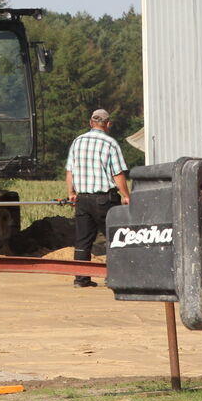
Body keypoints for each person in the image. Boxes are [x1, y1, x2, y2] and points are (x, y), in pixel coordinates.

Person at [65, 108, 129, 288]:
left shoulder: (77, 142)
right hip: (104, 200)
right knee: (114, 237)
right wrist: (126, 195)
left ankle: (81, 278)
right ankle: (114, 277)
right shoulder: (110, 143)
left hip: (82, 199)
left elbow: (70, 170)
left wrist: (71, 193)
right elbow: (118, 174)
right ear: (108, 124)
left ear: (90, 123)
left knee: (83, 240)